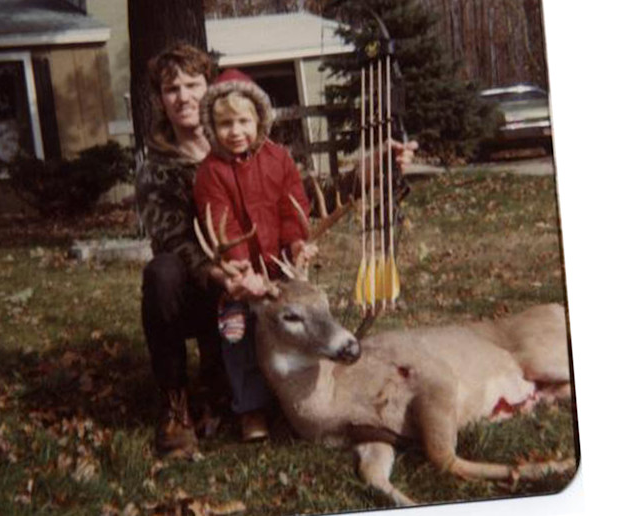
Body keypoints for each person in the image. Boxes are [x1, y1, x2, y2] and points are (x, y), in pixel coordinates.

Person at [136, 42, 417, 458]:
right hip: (207, 286)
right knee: (160, 273)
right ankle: (177, 405)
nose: (183, 96)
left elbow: (300, 201)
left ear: (211, 89)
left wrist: (376, 168)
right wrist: (228, 275)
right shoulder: (158, 164)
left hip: (268, 276)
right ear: (160, 98)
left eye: (193, 84)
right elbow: (174, 241)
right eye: (171, 88)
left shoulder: (261, 150)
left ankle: (265, 389)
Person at [193, 68, 317, 442]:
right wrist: (241, 271)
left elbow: (292, 208)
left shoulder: (279, 159)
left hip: (280, 267)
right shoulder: (210, 172)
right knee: (239, 336)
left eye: (243, 121)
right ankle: (251, 408)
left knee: (296, 326)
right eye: (225, 123)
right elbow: (221, 224)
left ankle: (296, 394)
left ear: (259, 119)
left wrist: (297, 243)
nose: (236, 131)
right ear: (213, 128)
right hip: (240, 276)